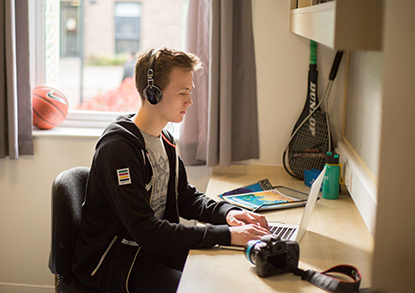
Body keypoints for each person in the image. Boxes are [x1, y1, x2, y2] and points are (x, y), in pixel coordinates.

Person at [72, 47, 270, 293]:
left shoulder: (164, 138)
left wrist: (228, 214)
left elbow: (184, 196)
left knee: (227, 273)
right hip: (117, 262)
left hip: (150, 250)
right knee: (203, 286)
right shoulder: (118, 149)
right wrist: (227, 235)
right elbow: (146, 231)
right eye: (182, 92)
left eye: (190, 91)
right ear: (153, 94)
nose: (190, 101)